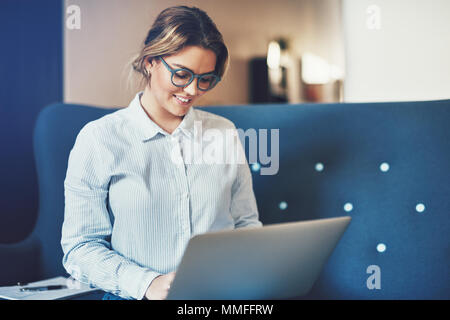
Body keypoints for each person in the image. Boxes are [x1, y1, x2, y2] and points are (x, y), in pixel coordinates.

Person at [61, 5, 262, 301]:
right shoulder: (99, 139)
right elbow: (80, 248)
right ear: (151, 61)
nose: (192, 90)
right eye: (182, 74)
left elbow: (246, 224)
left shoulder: (225, 133)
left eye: (206, 78)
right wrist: (148, 283)